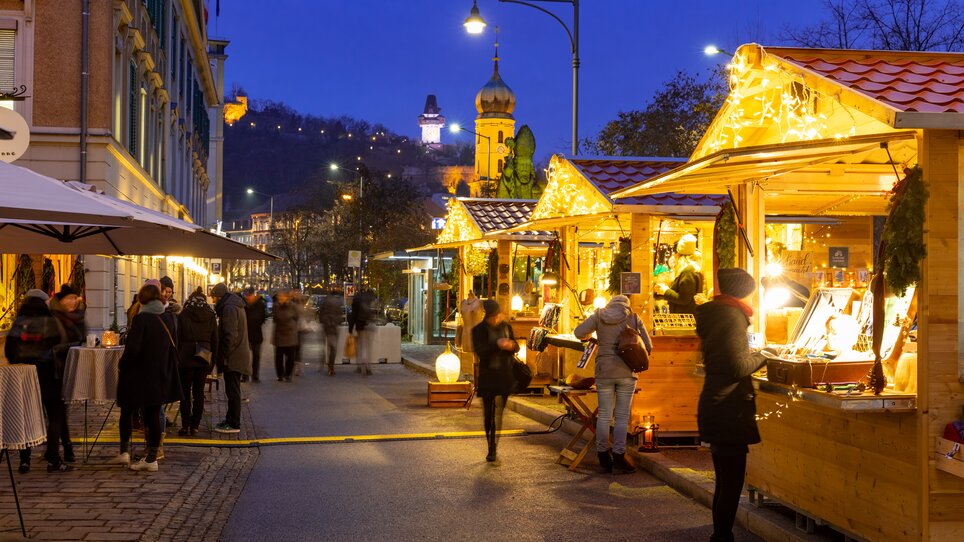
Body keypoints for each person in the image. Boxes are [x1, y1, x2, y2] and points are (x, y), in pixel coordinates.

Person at [695, 268, 767, 542]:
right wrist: (764, 356)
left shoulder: (715, 312)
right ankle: (722, 536)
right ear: (742, 290)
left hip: (715, 404)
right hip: (729, 409)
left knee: (725, 481)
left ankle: (720, 535)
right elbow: (737, 366)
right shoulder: (732, 316)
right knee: (731, 482)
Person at [574, 294, 652, 474]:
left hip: (604, 371)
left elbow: (578, 332)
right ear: (627, 305)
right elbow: (648, 345)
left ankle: (603, 455)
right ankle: (619, 455)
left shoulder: (599, 316)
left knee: (604, 415)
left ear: (610, 303)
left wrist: (590, 336)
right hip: (627, 372)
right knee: (622, 417)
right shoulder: (633, 317)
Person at [111, 283, 182, 472]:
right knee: (153, 414)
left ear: (142, 299)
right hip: (160, 374)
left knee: (127, 409)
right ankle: (152, 456)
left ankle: (125, 453)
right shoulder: (169, 318)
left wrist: (122, 365)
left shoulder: (142, 319)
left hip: (139, 374)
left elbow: (133, 349)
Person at [4, 289, 70, 473]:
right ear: (43, 302)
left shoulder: (19, 322)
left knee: (26, 416)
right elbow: (62, 346)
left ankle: (25, 461)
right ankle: (53, 460)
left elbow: (9, 350)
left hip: (24, 375)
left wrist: (21, 363)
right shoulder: (51, 321)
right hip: (48, 374)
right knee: (54, 417)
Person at [471, 299, 518, 463]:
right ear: (488, 316)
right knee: (488, 413)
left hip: (504, 375)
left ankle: (494, 444)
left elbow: (516, 346)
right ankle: (490, 447)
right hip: (488, 375)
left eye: (499, 315)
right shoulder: (478, 330)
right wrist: (497, 344)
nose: (498, 318)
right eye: (495, 315)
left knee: (499, 413)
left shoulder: (506, 327)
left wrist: (511, 346)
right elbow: (480, 352)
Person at [48, 284, 86, 468]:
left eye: (75, 298)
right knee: (58, 412)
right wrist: (74, 345)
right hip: (55, 371)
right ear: (60, 300)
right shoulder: (53, 318)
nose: (73, 301)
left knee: (60, 411)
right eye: (69, 298)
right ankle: (58, 453)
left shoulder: (78, 318)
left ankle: (62, 450)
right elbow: (52, 346)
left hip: (68, 370)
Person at [176, 287, 218, 437]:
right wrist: (212, 361)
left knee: (185, 393)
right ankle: (195, 426)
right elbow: (215, 340)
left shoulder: (184, 313)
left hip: (186, 357)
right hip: (203, 356)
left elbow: (178, 337)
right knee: (199, 393)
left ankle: (185, 425)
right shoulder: (210, 314)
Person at [211, 283, 250, 433]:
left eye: (214, 298)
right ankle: (230, 419)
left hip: (234, 357)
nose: (214, 302)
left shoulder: (229, 308)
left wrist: (223, 356)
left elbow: (230, 335)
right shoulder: (234, 305)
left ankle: (234, 423)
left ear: (219, 296)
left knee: (232, 391)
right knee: (232, 390)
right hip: (238, 354)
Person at [654, 234, 704, 314]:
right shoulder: (692, 269)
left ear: (679, 255)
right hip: (687, 318)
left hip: (686, 320)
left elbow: (684, 299)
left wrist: (665, 291)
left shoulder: (688, 272)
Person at [272, 289, 300, 382]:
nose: (280, 298)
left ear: (286, 297)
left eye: (282, 296)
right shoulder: (276, 306)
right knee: (279, 357)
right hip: (279, 334)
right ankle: (280, 374)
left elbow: (296, 317)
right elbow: (275, 318)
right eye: (279, 297)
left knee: (290, 357)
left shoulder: (293, 306)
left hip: (290, 334)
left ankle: (288, 374)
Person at [348, 289, 376, 376]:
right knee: (368, 347)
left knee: (361, 346)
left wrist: (351, 328)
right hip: (371, 324)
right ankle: (368, 368)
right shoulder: (372, 298)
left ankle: (360, 365)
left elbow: (354, 314)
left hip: (360, 325)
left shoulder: (357, 298)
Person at [243, 288, 267, 383]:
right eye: (247, 296)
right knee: (245, 356)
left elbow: (262, 318)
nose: (248, 297)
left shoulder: (260, 304)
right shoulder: (244, 305)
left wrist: (256, 323)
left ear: (253, 295)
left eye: (250, 295)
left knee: (256, 355)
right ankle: (245, 375)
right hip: (246, 333)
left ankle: (255, 375)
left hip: (256, 333)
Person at [318, 291, 344, 376]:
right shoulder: (337, 302)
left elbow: (320, 314)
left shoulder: (324, 301)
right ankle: (331, 366)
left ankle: (322, 363)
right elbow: (340, 315)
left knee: (324, 346)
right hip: (333, 327)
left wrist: (323, 322)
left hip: (326, 327)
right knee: (333, 347)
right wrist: (337, 323)